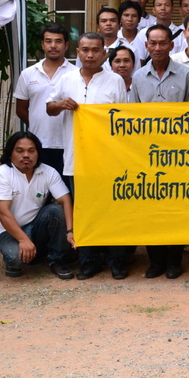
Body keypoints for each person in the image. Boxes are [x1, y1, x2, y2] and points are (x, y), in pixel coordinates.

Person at [46, 32, 128, 280]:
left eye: (95, 50)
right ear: (77, 52)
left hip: (107, 160)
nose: (90, 55)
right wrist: (60, 105)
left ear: (105, 53)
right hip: (76, 158)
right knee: (83, 211)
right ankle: (89, 260)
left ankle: (117, 261)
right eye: (85, 50)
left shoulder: (115, 81)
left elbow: (122, 122)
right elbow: (49, 108)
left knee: (112, 210)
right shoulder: (66, 79)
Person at [130, 25, 189, 280]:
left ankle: (174, 260)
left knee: (175, 207)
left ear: (171, 45)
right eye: (153, 43)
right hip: (146, 154)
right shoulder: (137, 77)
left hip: (178, 154)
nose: (157, 48)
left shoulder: (185, 75)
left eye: (162, 43)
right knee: (150, 208)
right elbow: (132, 118)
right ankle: (155, 260)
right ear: (146, 45)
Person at [0, 131, 75, 279]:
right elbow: (2, 212)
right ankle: (17, 259)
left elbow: (65, 200)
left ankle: (57, 259)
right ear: (10, 153)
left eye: (31, 151)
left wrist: (70, 231)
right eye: (20, 151)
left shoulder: (48, 172)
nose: (26, 155)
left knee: (55, 210)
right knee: (16, 259)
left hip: (35, 225)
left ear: (38, 153)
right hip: (6, 231)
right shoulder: (1, 174)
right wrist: (23, 240)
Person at [14, 24, 75, 176]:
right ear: (42, 44)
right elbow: (21, 109)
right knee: (40, 194)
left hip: (68, 143)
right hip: (37, 144)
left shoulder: (75, 74)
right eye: (48, 41)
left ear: (66, 45)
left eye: (58, 41)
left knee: (68, 193)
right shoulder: (28, 74)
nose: (53, 45)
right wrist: (37, 125)